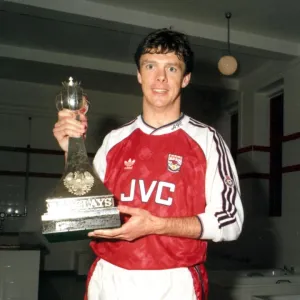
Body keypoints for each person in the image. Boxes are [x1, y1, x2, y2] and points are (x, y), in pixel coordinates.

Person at [53, 28, 244, 300]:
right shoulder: (114, 140)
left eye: (172, 69)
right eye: (151, 66)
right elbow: (85, 210)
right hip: (109, 278)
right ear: (139, 74)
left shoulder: (207, 140)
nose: (160, 78)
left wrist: (157, 225)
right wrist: (70, 152)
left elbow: (230, 221)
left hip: (174, 282)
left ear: (186, 78)